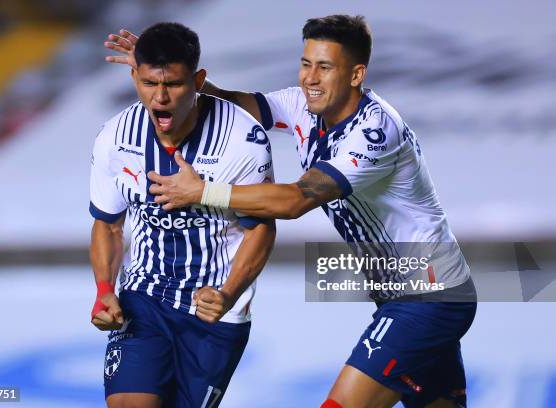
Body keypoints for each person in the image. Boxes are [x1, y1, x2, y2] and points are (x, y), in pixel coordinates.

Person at [104, 15, 476, 408]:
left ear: (356, 74)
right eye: (306, 64)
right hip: (406, 293)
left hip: (428, 294)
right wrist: (165, 75)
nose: (310, 78)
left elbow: (298, 200)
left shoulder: (374, 131)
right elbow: (234, 104)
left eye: (325, 67)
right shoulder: (304, 105)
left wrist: (203, 191)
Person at [91, 22, 275, 408]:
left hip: (214, 313)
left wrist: (228, 294)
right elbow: (109, 224)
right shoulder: (115, 137)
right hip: (145, 298)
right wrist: (105, 290)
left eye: (173, 85)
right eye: (148, 84)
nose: (159, 98)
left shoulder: (242, 140)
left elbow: (260, 229)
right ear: (134, 76)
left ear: (198, 80)